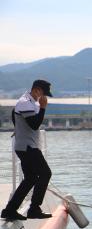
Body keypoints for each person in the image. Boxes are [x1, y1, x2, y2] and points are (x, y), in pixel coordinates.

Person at [1, 80, 54, 220]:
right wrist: (43, 108)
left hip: (26, 146)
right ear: (36, 90)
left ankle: (9, 210)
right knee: (45, 173)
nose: (44, 97)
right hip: (27, 147)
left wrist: (17, 128)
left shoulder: (28, 102)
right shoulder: (25, 102)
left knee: (30, 178)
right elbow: (34, 125)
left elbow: (14, 113)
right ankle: (34, 209)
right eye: (43, 93)